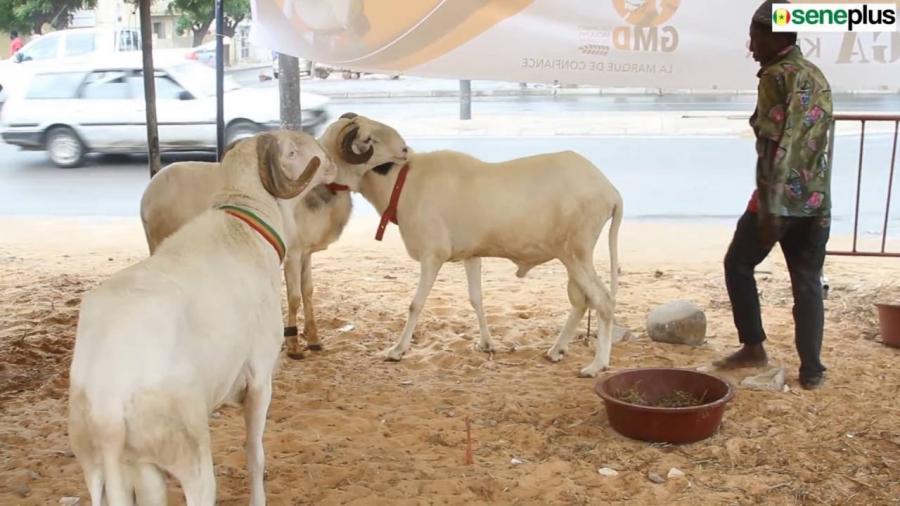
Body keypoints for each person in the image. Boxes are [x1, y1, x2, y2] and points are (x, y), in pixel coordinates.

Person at [714, 0, 833, 390]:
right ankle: (812, 370)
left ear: (777, 35)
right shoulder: (816, 76)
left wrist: (768, 207)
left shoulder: (775, 77)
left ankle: (753, 346)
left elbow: (771, 144)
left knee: (737, 264)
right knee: (807, 281)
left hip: (777, 199)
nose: (751, 47)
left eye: (755, 37)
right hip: (816, 202)